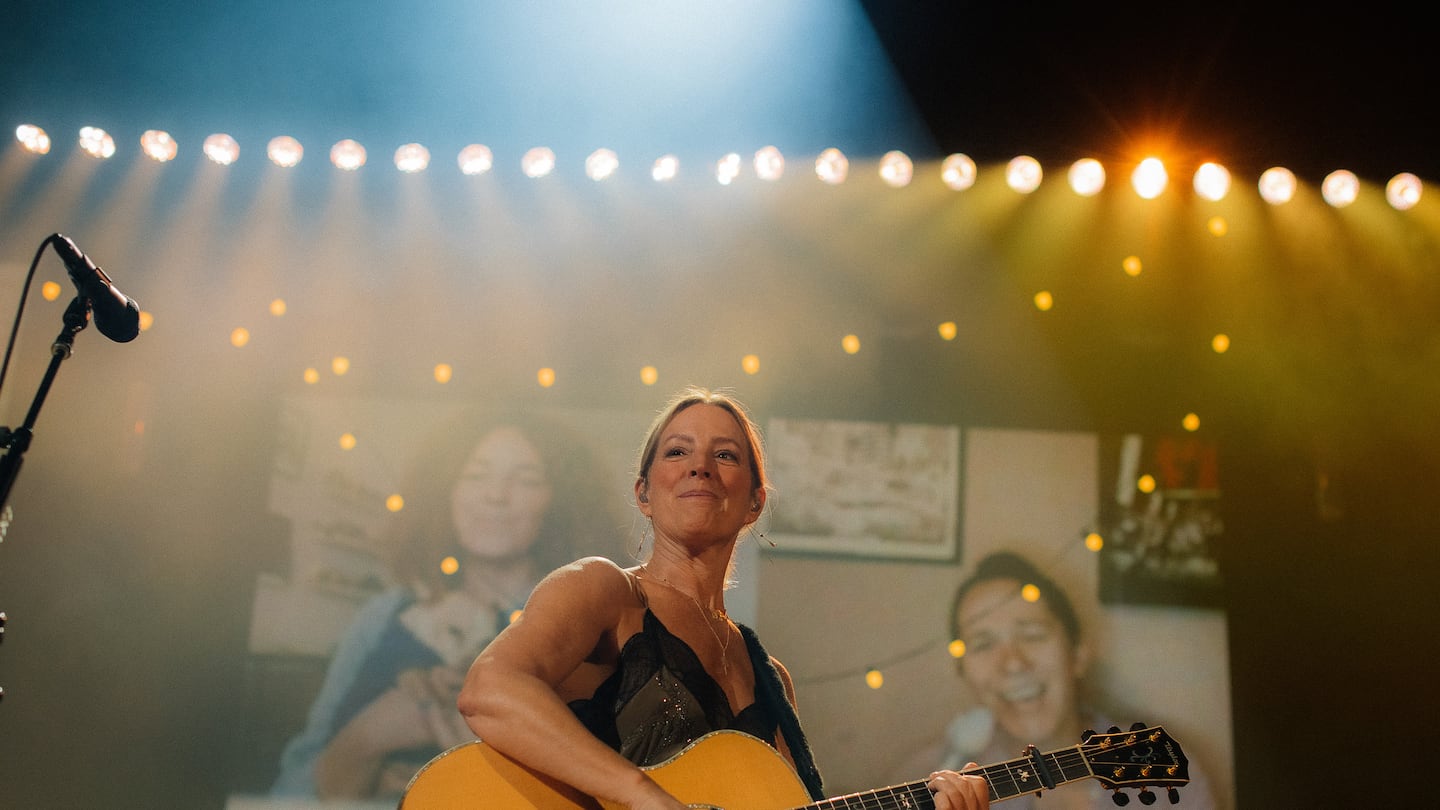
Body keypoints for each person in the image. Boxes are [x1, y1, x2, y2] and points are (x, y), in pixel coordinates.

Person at [458, 386, 991, 810]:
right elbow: (489, 690)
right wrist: (648, 799)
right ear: (644, 493)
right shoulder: (604, 590)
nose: (700, 466)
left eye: (726, 455)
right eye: (677, 451)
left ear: (755, 502)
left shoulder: (771, 679)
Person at [271, 405, 618, 800]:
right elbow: (290, 787)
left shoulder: (587, 620)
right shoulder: (383, 615)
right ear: (445, 489)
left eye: (525, 480)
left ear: (559, 500)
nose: (495, 495)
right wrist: (366, 737)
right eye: (475, 475)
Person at [900, 551, 1216, 809]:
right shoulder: (922, 781)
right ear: (963, 672)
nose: (1013, 663)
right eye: (983, 644)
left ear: (1077, 654)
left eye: (1033, 635)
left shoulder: (1166, 769)